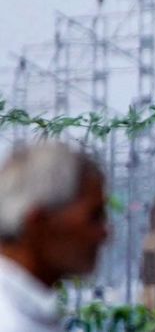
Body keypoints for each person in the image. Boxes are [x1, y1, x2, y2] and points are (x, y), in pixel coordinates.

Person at [0, 141, 110, 332]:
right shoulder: (10, 320)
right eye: (94, 217)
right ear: (39, 223)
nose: (105, 234)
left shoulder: (29, 308)